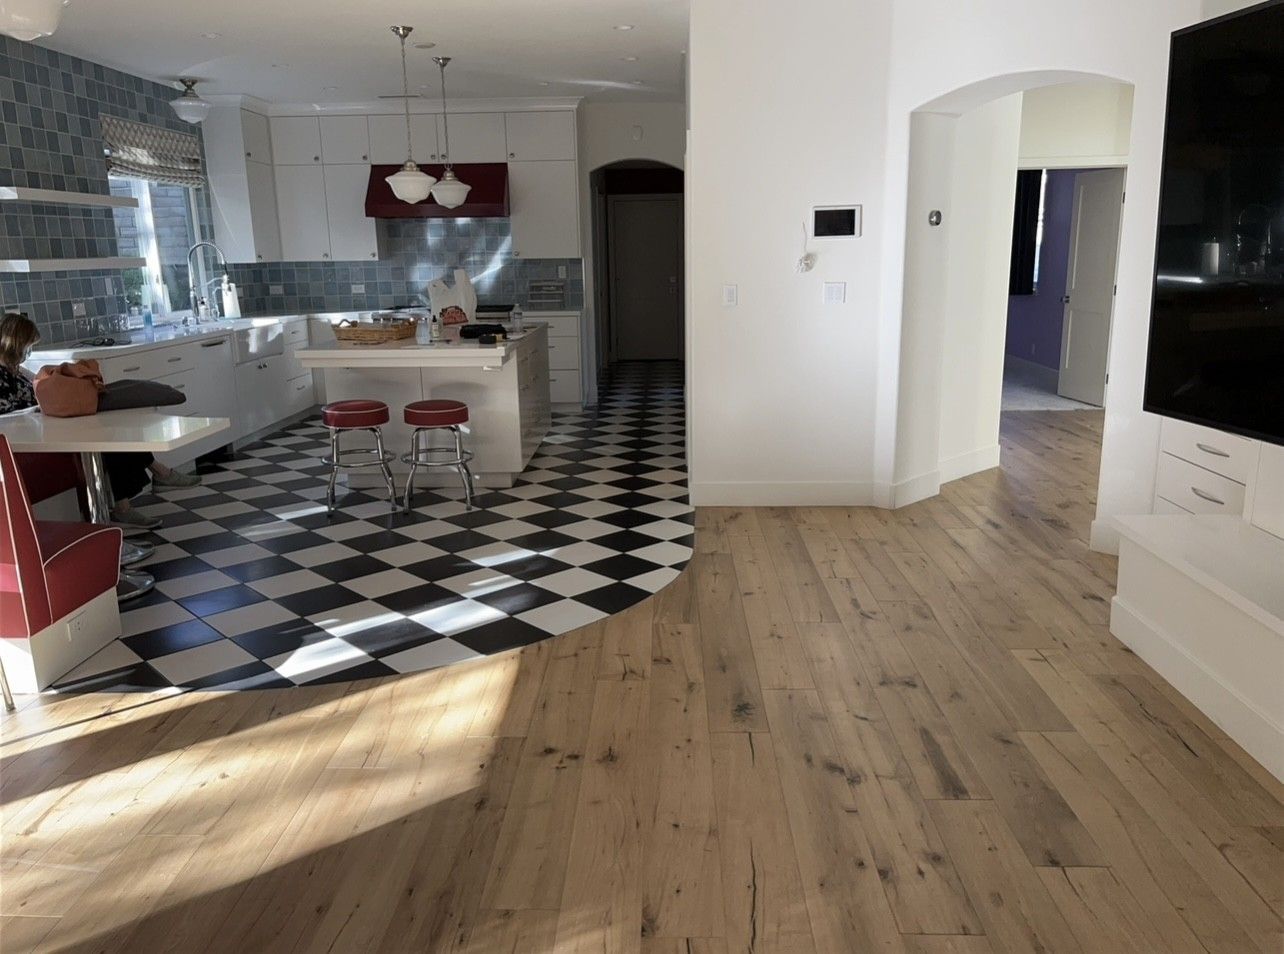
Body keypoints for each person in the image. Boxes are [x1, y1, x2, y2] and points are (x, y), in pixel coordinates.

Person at [0, 311, 200, 530]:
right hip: (28, 438)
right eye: (28, 346)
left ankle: (131, 499)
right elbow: (10, 412)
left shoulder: (16, 370)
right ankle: (153, 479)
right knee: (105, 436)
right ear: (15, 344)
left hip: (44, 426)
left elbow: (38, 388)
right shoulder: (3, 375)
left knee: (111, 429)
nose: (28, 353)